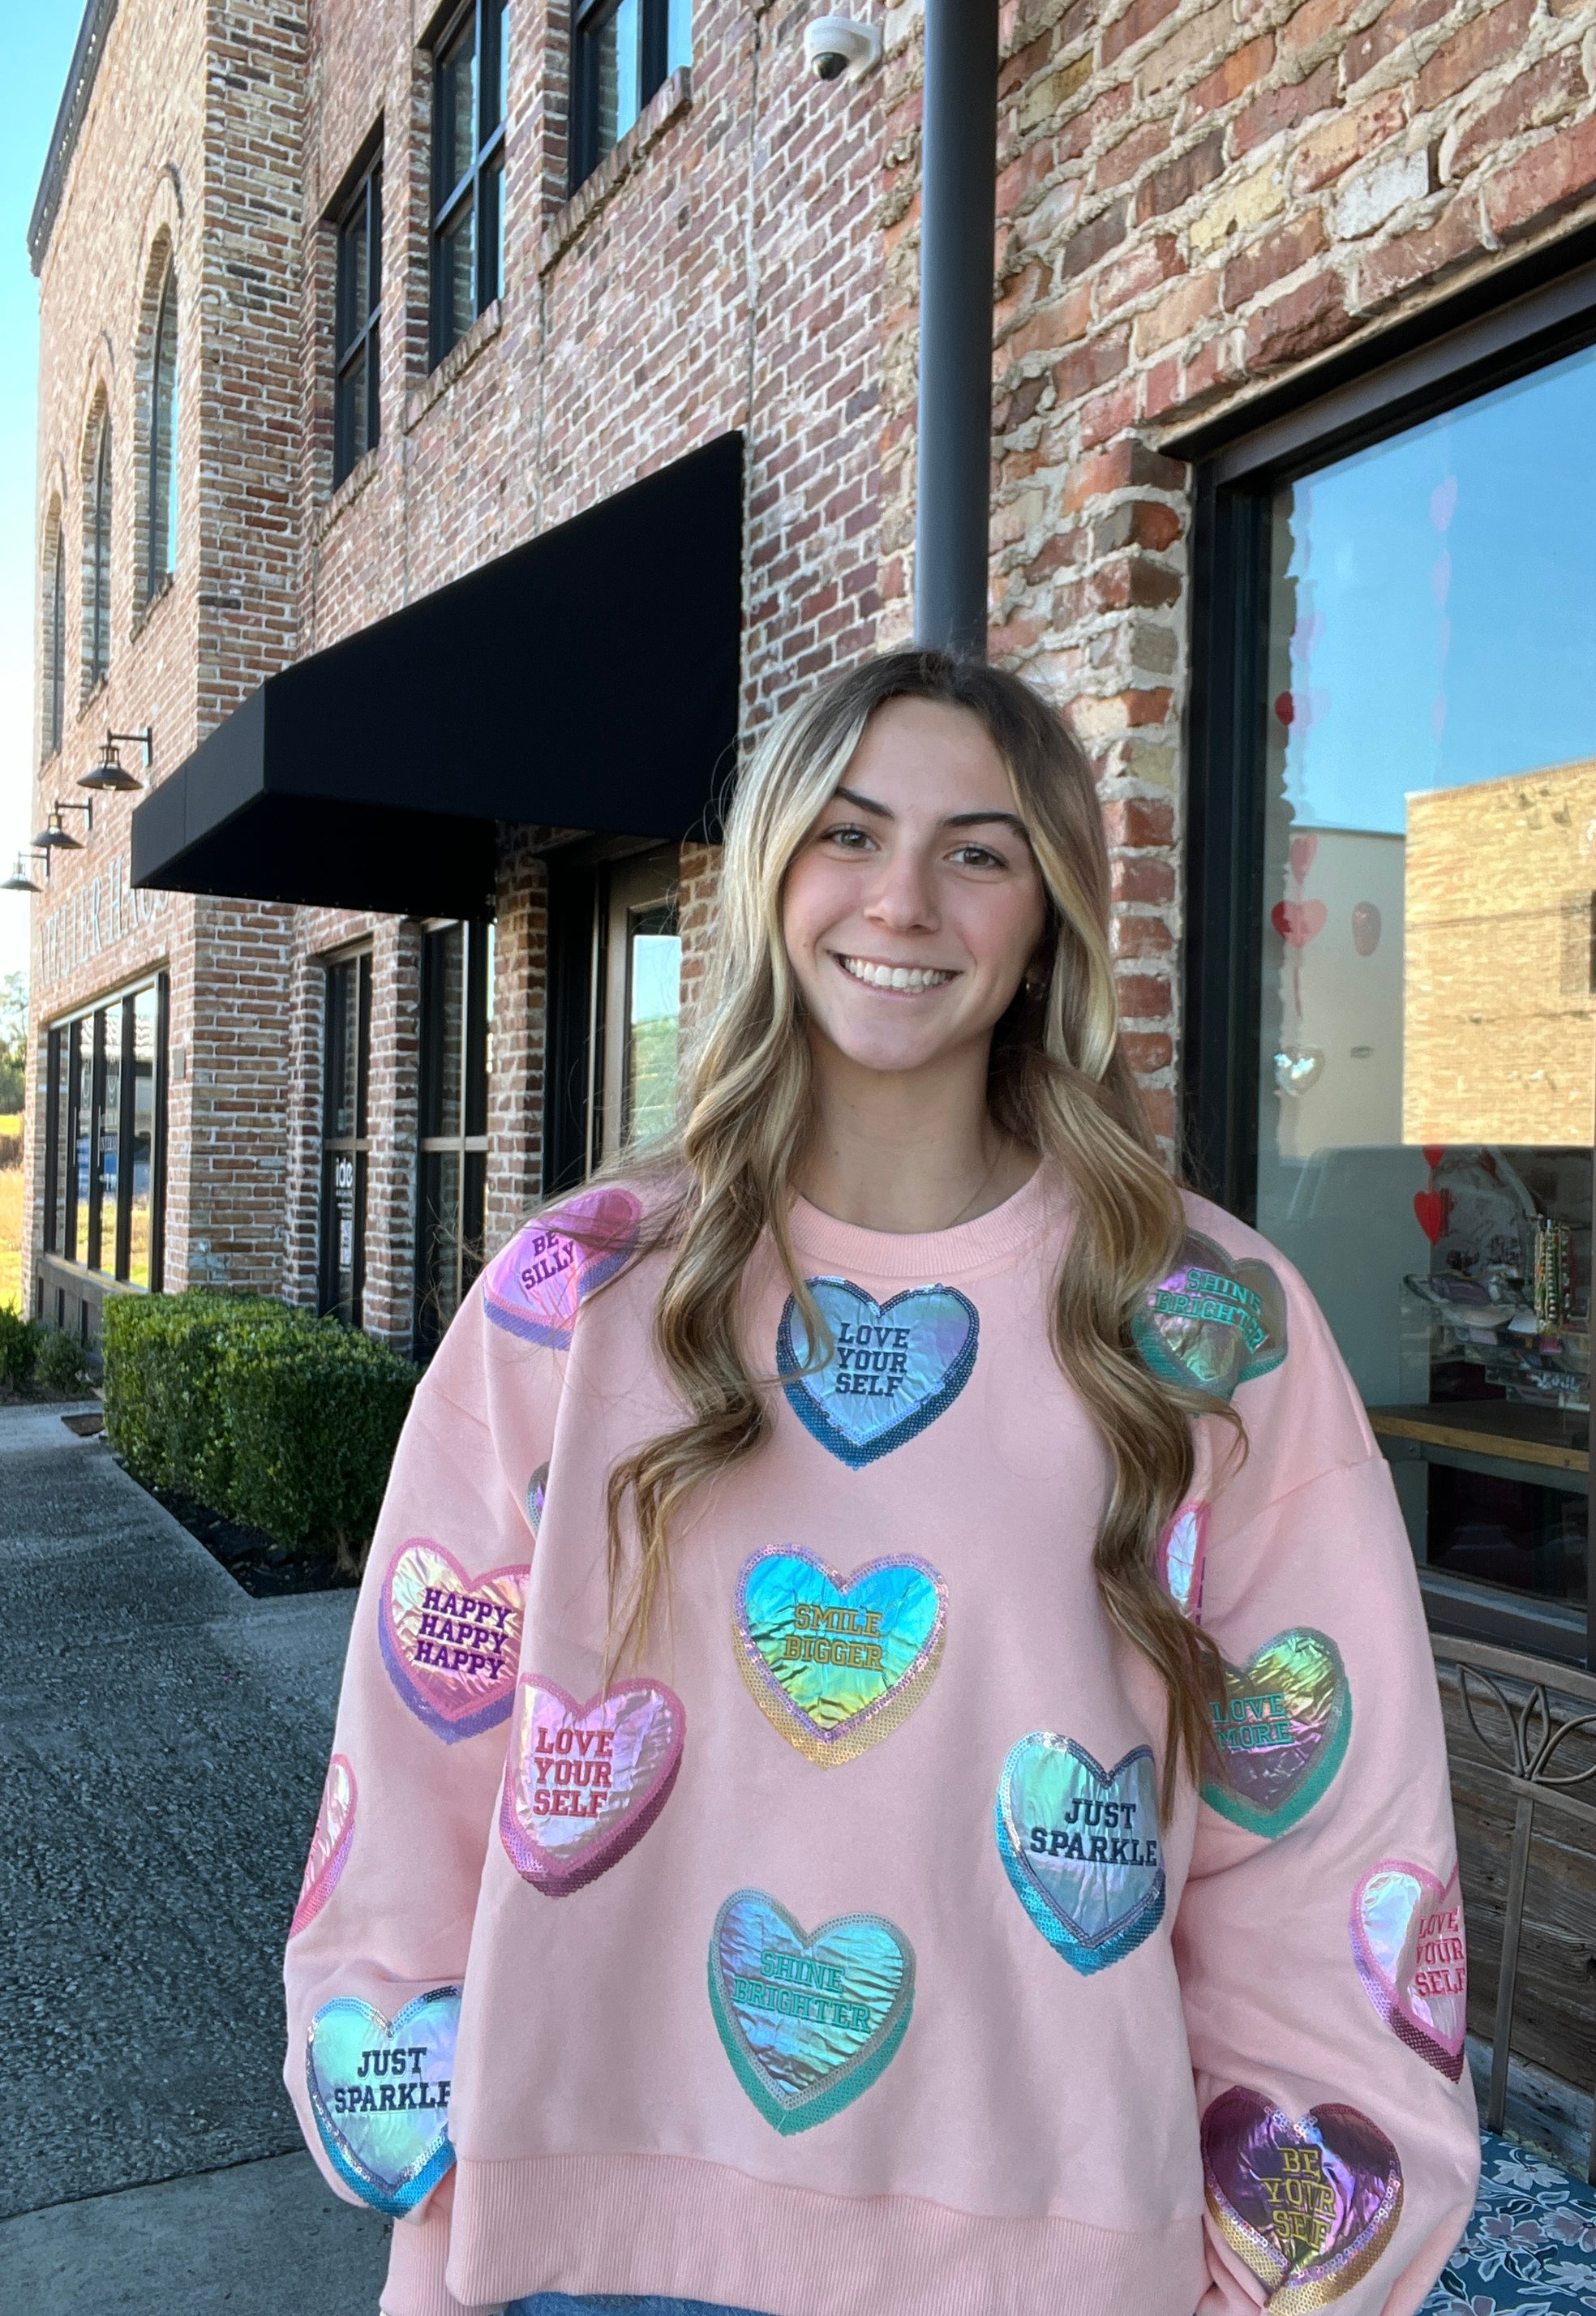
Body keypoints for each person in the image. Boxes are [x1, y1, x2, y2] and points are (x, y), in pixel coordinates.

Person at [283, 648, 1479, 2316]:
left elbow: (1323, 1836)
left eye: (979, 852)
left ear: (1048, 915)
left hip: (1051, 2257)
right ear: (775, 870)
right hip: (591, 2251)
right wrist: (397, 2088)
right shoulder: (580, 1294)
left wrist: (1297, 2233)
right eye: (850, 834)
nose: (903, 899)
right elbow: (420, 1756)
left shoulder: (1208, 1327)